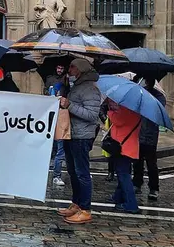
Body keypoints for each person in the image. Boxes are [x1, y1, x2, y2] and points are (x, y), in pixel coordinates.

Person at [57, 58, 101, 224]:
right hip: (71, 133)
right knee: (73, 171)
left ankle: (85, 209)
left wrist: (69, 105)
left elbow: (91, 115)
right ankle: (76, 203)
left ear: (81, 69)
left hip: (82, 136)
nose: (70, 69)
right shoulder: (76, 86)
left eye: (73, 66)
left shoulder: (90, 89)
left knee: (82, 173)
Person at [106, 98, 141, 213]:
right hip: (128, 147)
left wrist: (110, 111)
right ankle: (118, 197)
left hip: (122, 148)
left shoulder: (126, 111)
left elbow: (118, 120)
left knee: (124, 175)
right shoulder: (135, 111)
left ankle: (131, 204)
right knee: (123, 173)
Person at [132, 77, 164, 201]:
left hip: (151, 133)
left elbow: (158, 111)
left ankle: (154, 188)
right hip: (138, 132)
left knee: (151, 164)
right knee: (137, 161)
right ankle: (137, 183)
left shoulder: (158, 96)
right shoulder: (140, 93)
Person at [46, 65, 67, 187]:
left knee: (61, 149)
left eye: (61, 68)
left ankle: (57, 174)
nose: (59, 70)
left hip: (63, 117)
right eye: (58, 68)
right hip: (56, 116)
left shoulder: (67, 83)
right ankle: (56, 175)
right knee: (58, 149)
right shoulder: (52, 80)